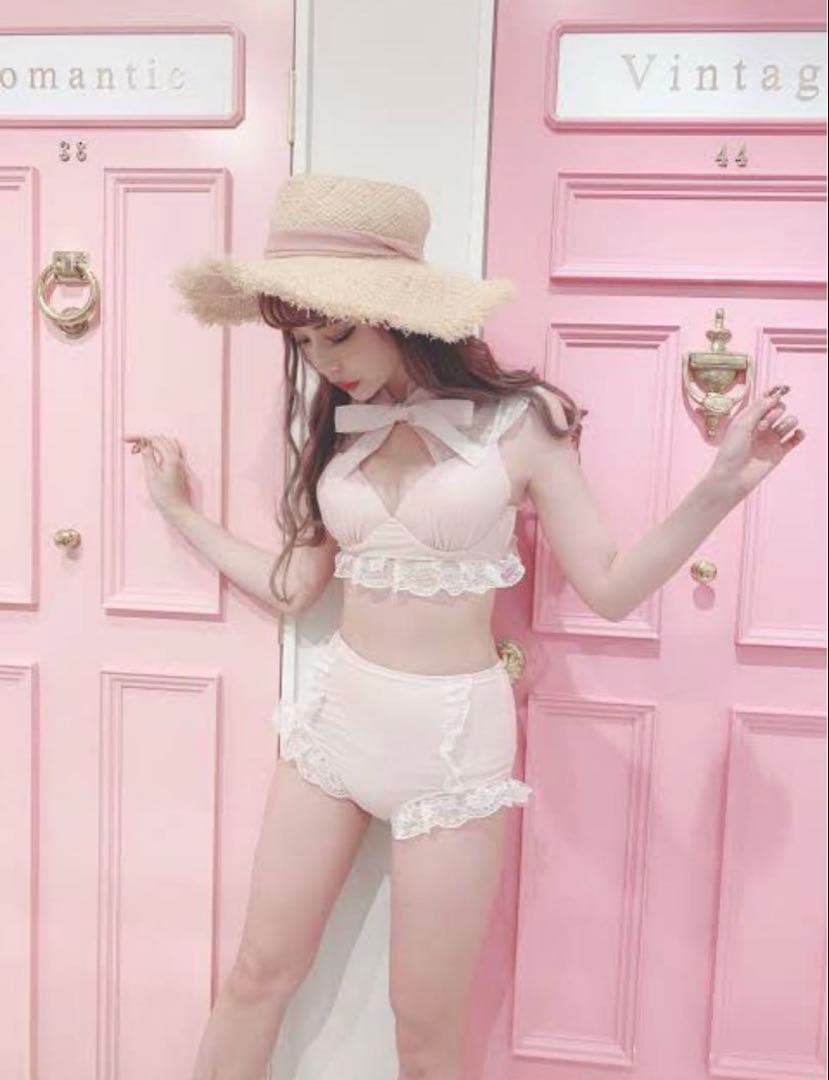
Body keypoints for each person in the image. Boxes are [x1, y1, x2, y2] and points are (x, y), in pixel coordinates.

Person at [124, 174, 805, 1080]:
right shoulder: (337, 426)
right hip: (335, 721)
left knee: (424, 1031)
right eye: (301, 342)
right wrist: (179, 514)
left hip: (451, 741)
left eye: (337, 333)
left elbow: (607, 586)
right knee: (256, 974)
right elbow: (294, 586)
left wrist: (718, 488)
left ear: (398, 315)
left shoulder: (521, 424)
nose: (321, 360)